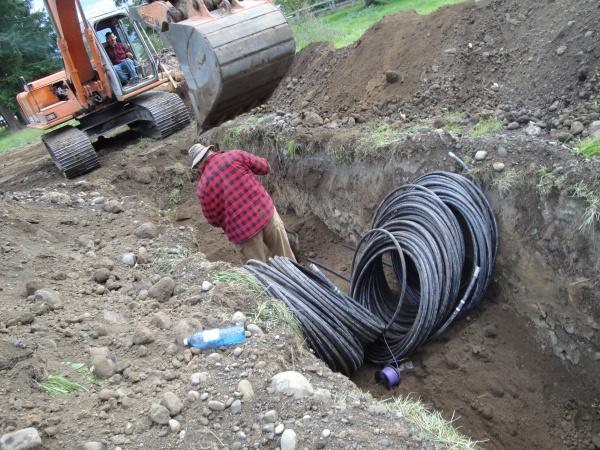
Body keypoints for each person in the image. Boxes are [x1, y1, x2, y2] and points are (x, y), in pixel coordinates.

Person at [189, 143, 297, 264]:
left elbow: (213, 220)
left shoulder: (202, 187)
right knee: (287, 259)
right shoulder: (235, 155)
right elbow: (265, 167)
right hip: (265, 213)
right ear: (210, 151)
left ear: (198, 164)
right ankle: (298, 279)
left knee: (259, 273)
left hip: (242, 232)